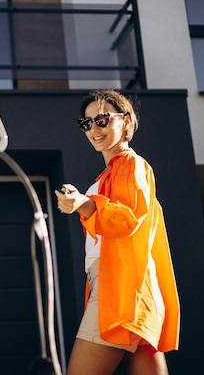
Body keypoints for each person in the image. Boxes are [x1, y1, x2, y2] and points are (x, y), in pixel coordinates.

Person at [55, 90, 180, 375]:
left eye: (101, 119)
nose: (94, 129)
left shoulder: (130, 164)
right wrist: (84, 203)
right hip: (130, 287)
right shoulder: (111, 172)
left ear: (125, 122)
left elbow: (127, 219)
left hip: (121, 287)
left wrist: (85, 204)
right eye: (87, 124)